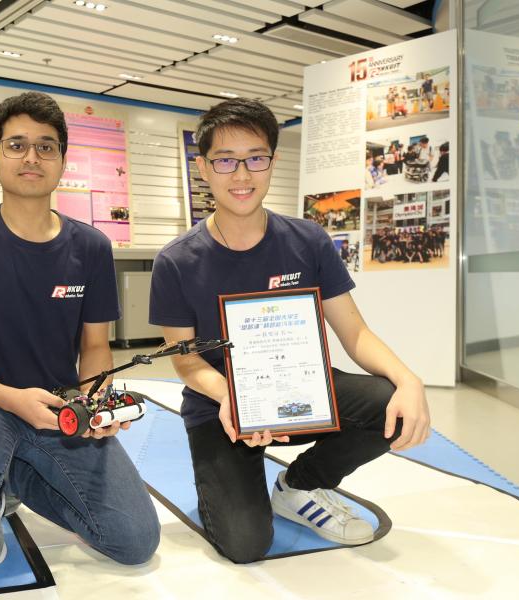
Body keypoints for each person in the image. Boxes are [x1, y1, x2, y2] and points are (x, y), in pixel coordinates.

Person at [148, 98, 430, 564]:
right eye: (225, 161)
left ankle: (299, 485)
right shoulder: (177, 261)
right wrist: (231, 398)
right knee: (245, 544)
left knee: (391, 405)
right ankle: (231, 483)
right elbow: (186, 359)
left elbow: (354, 331)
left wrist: (409, 379)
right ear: (204, 167)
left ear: (273, 162)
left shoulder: (308, 241)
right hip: (223, 409)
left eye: (256, 158)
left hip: (301, 392)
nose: (242, 175)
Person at [0, 91, 159, 569]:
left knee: (133, 541)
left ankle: (14, 477)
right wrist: (9, 397)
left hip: (59, 406)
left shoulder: (90, 247)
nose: (32, 157)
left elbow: (94, 344)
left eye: (46, 146)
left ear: (63, 160)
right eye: (17, 145)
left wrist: (95, 402)